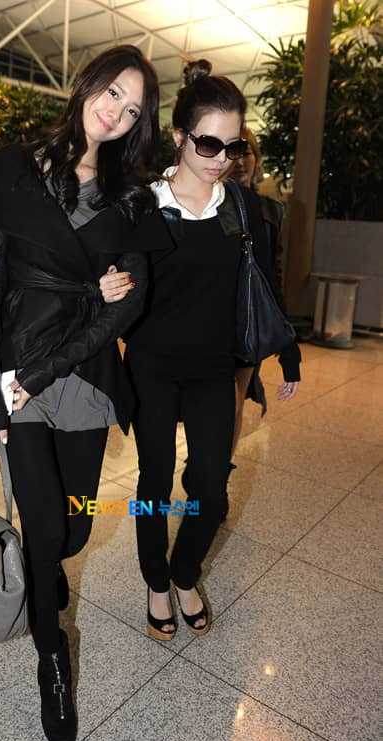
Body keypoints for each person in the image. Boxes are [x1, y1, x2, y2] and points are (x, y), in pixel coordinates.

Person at [0, 45, 172, 741]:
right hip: (16, 369)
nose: (117, 112)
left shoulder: (129, 196)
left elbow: (129, 303)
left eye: (133, 109)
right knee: (44, 532)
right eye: (113, 92)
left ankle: (51, 574)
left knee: (72, 530)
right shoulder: (17, 168)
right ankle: (52, 659)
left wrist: (48, 364)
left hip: (83, 373)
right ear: (88, 83)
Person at [112, 59, 301, 642]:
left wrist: (287, 351)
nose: (222, 157)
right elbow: (108, 276)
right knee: (154, 483)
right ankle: (155, 581)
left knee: (212, 491)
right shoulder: (143, 204)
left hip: (215, 368)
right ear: (179, 135)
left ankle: (185, 572)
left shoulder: (242, 207)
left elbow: (262, 282)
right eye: (208, 143)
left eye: (233, 145)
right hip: (152, 365)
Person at [180, 125, 302, 507]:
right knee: (211, 404)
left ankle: (215, 478)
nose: (243, 158)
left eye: (247, 150)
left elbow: (271, 277)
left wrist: (288, 346)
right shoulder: (209, 203)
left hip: (248, 323)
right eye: (235, 150)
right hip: (209, 323)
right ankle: (202, 468)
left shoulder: (270, 211)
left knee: (233, 404)